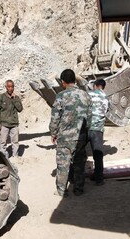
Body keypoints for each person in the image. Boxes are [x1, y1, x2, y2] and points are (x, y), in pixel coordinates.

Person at [49, 69, 92, 197]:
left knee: (63, 164)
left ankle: (62, 191)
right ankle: (79, 189)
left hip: (65, 138)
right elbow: (89, 117)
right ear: (74, 80)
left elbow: (55, 117)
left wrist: (53, 133)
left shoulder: (61, 96)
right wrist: (85, 133)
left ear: (63, 82)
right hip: (80, 137)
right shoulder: (86, 95)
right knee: (79, 163)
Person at [0, 80, 23, 157]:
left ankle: (15, 156)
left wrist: (14, 99)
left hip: (14, 124)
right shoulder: (1, 97)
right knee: (2, 142)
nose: (11, 88)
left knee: (15, 141)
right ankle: (3, 157)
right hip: (4, 124)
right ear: (6, 87)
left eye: (12, 86)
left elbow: (20, 109)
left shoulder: (16, 97)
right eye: (9, 86)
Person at [88, 79, 109, 185]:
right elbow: (106, 111)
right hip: (97, 130)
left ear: (95, 86)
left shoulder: (89, 94)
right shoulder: (106, 98)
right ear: (103, 87)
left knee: (78, 153)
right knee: (98, 155)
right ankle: (99, 180)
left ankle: (74, 179)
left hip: (86, 128)